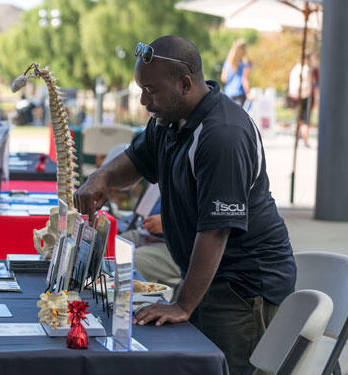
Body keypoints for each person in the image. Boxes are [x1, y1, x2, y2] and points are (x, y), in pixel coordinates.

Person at [74, 35, 296, 375]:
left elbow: (216, 231)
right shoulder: (169, 119)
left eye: (151, 90)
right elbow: (136, 159)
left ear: (185, 84)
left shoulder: (223, 134)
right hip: (211, 276)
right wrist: (101, 178)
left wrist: (183, 304)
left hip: (242, 287)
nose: (145, 101)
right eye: (141, 90)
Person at [287, 52, 316, 147]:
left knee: (299, 118)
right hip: (306, 96)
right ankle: (305, 140)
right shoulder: (308, 69)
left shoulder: (295, 68)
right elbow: (312, 83)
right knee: (305, 119)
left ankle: (297, 138)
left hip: (296, 96)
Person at [221, 39, 251, 108]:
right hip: (240, 94)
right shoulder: (246, 63)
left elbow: (223, 78)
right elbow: (245, 80)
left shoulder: (227, 62)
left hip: (228, 93)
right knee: (238, 117)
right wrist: (248, 93)